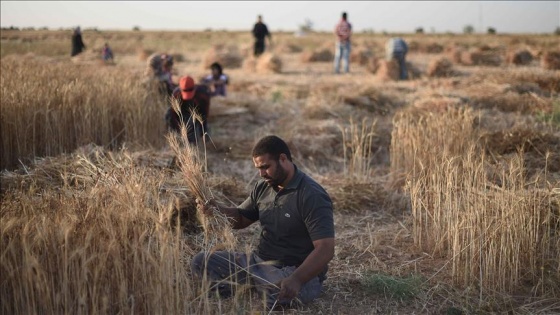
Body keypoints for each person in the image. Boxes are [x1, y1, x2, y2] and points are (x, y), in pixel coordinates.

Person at [191, 135, 335, 310]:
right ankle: (251, 286)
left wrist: (296, 279)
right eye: (258, 168)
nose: (261, 173)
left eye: (266, 167)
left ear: (283, 159)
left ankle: (258, 288)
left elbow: (326, 249)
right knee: (201, 261)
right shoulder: (263, 186)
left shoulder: (311, 195)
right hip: (258, 263)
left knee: (275, 295)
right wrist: (217, 211)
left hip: (293, 270)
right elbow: (242, 219)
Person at [165, 75, 211, 142]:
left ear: (194, 87)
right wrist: (179, 129)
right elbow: (173, 114)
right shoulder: (176, 94)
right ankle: (174, 139)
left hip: (197, 112)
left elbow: (205, 113)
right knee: (168, 114)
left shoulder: (202, 94)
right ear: (180, 88)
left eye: (190, 91)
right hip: (182, 112)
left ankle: (196, 141)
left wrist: (203, 131)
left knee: (195, 131)